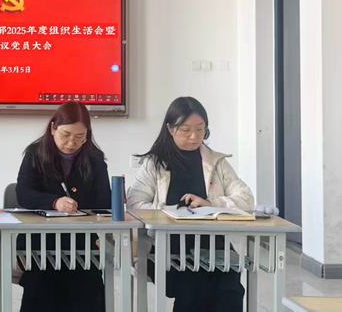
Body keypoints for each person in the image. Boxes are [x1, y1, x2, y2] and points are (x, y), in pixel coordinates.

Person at [126, 96, 254, 312]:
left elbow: (246, 199)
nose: (194, 136)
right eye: (185, 130)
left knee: (230, 289)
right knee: (194, 286)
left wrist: (210, 203)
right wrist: (170, 213)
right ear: (170, 128)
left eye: (200, 129)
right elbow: (135, 204)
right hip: (167, 249)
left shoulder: (217, 162)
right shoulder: (154, 163)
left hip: (213, 246)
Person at [15, 101, 110, 312]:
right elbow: (24, 194)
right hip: (41, 241)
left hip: (81, 241)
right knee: (41, 285)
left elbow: (104, 202)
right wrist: (54, 202)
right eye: (65, 135)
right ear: (53, 128)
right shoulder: (35, 153)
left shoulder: (95, 159)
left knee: (88, 286)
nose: (71, 143)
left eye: (79, 137)